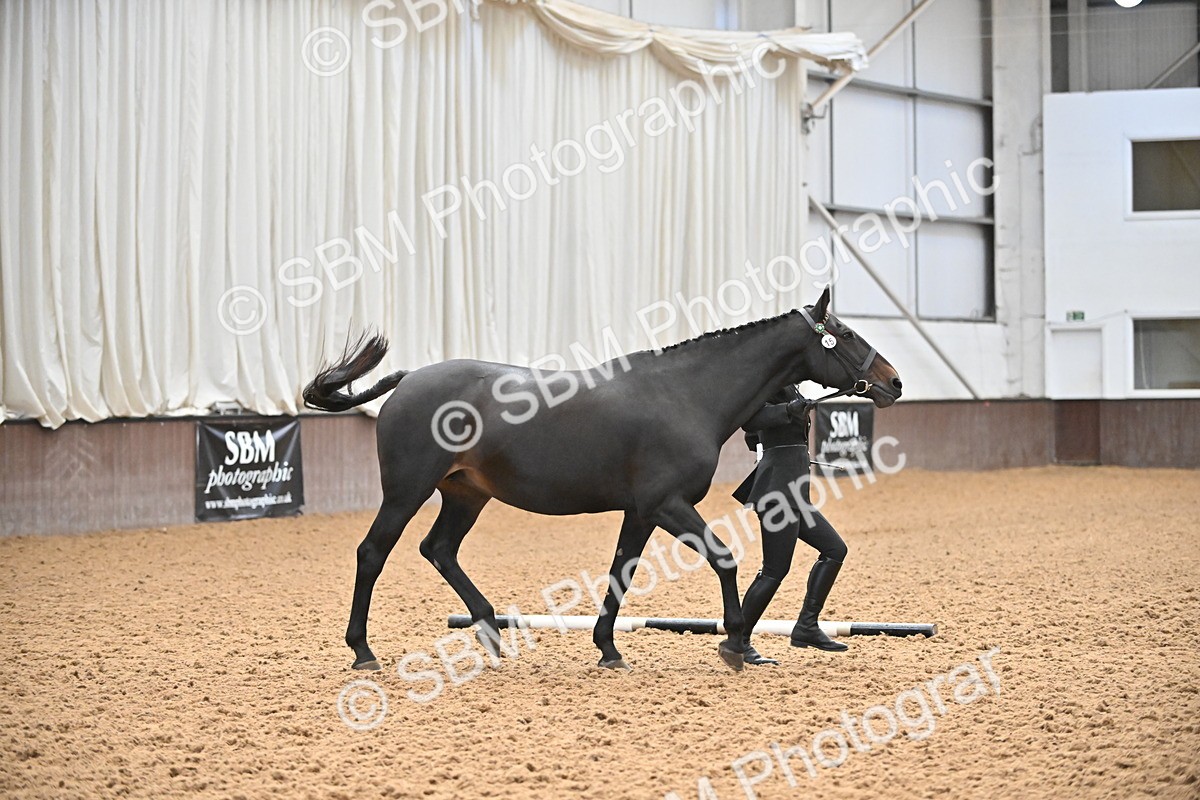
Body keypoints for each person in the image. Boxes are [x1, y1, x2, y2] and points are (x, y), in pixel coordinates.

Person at [732, 383, 849, 665]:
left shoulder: (790, 388)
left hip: (795, 492)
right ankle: (738, 642)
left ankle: (806, 626)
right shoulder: (768, 386)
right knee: (774, 570)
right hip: (777, 492)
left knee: (835, 550)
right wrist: (788, 411)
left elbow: (754, 438)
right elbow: (750, 422)